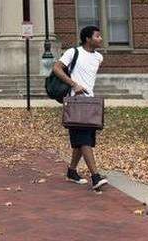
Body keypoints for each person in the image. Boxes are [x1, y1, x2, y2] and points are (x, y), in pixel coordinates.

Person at [52, 25, 106, 189]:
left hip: (90, 103)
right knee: (84, 140)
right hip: (75, 102)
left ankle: (71, 171)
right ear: (87, 39)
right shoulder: (73, 52)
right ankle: (95, 177)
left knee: (82, 141)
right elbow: (56, 68)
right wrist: (74, 84)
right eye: (97, 36)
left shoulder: (99, 58)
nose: (100, 39)